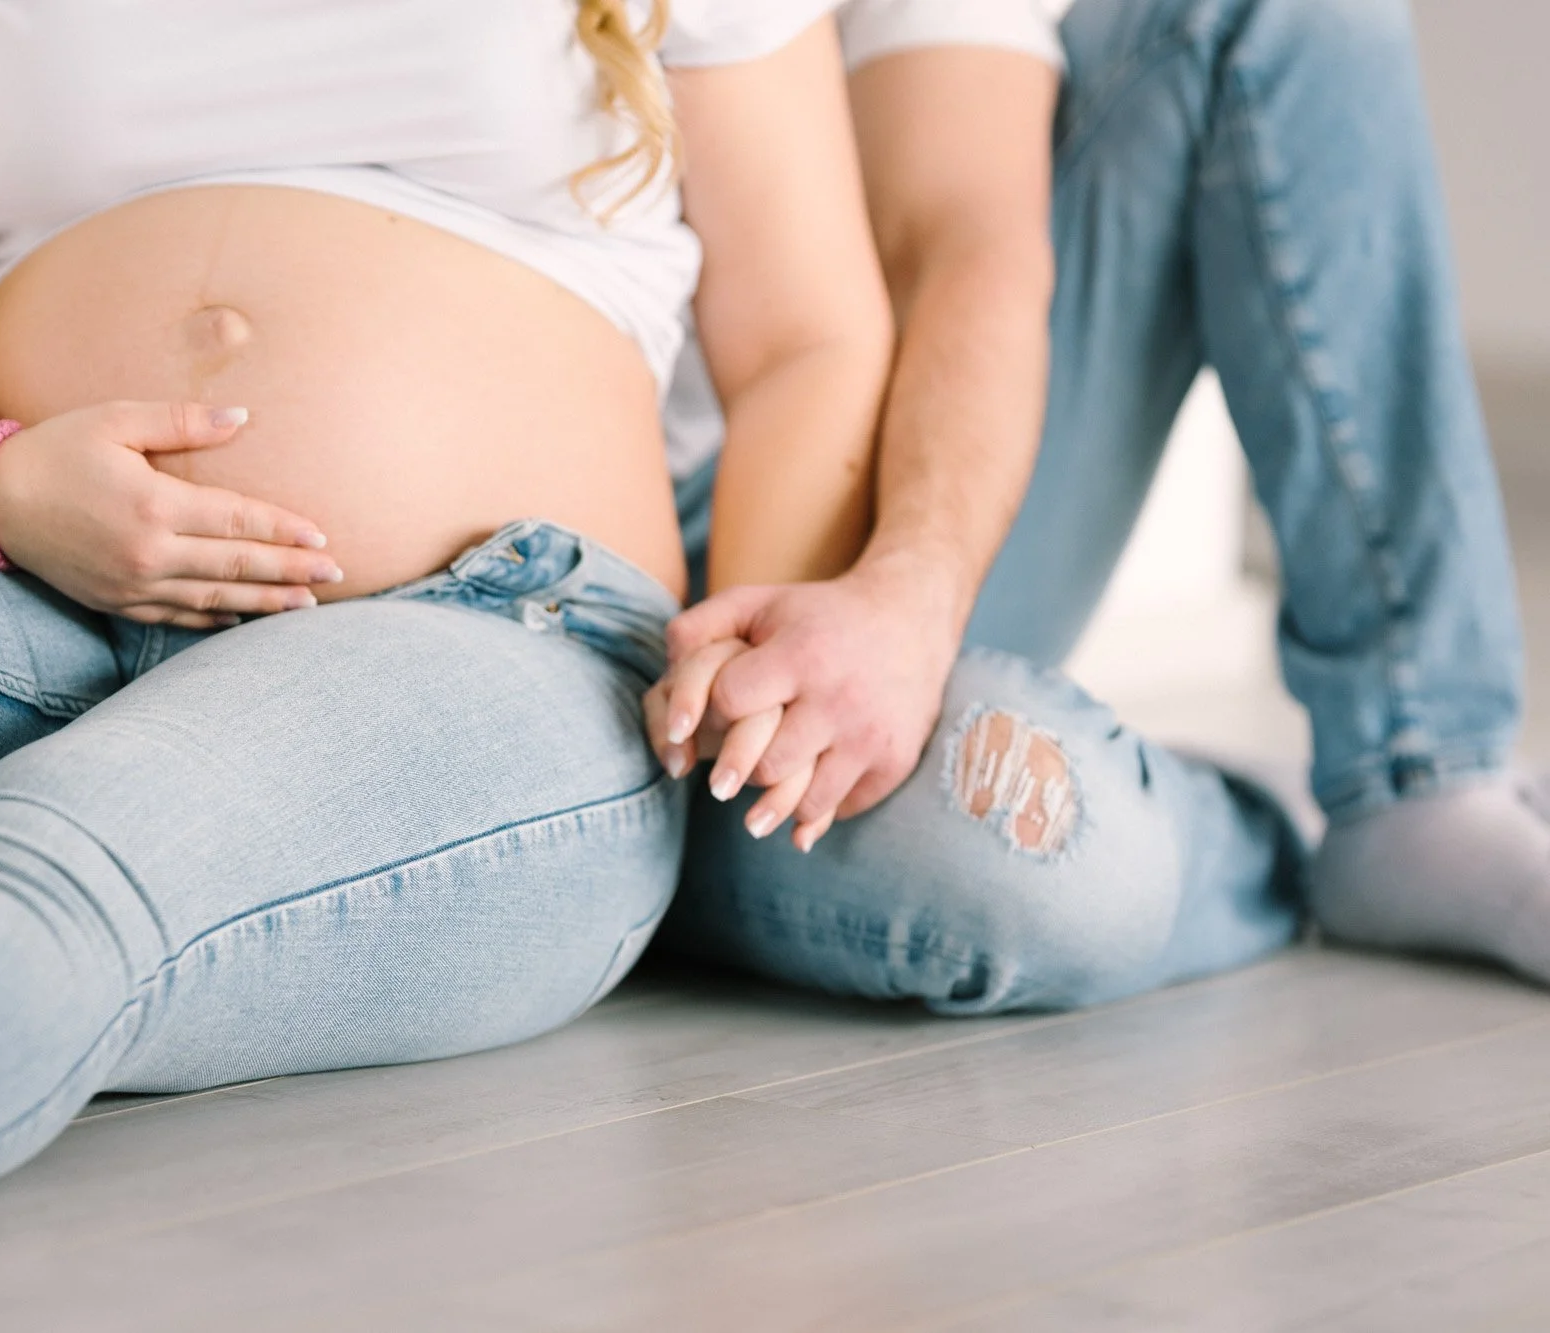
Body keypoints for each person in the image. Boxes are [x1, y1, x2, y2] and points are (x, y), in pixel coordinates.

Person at [0, 0, 887, 1273]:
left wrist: (749, 643)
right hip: (18, 612)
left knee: (75, 841)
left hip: (493, 643)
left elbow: (807, 339)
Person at [645, 0, 1545, 1013]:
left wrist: (909, 591)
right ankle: (1214, 812)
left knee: (1273, 13)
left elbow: (964, 241)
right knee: (1031, 859)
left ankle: (1413, 779)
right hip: (616, 576)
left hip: (861, 507)